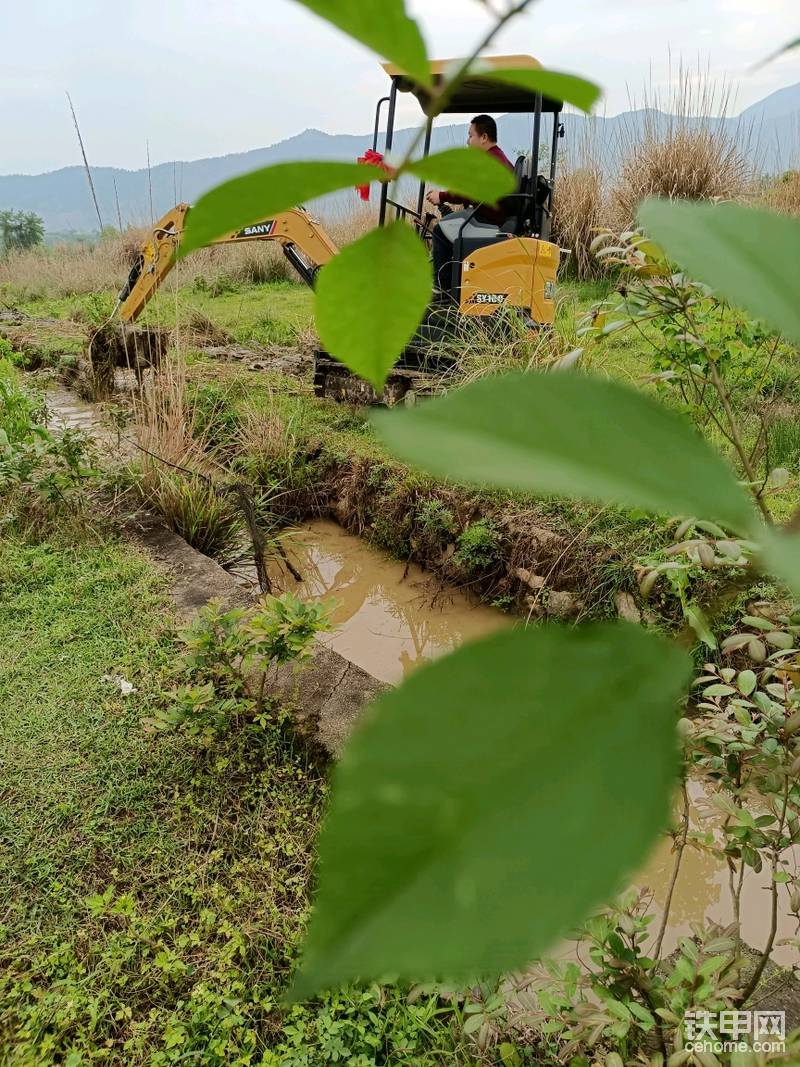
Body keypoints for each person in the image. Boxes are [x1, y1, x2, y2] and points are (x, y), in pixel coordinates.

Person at [426, 114, 514, 298]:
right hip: (488, 216)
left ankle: (441, 289)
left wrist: (442, 196)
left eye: (470, 135)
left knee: (440, 231)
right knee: (449, 225)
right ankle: (452, 284)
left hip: (488, 222)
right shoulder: (497, 158)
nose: (468, 141)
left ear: (483, 137)